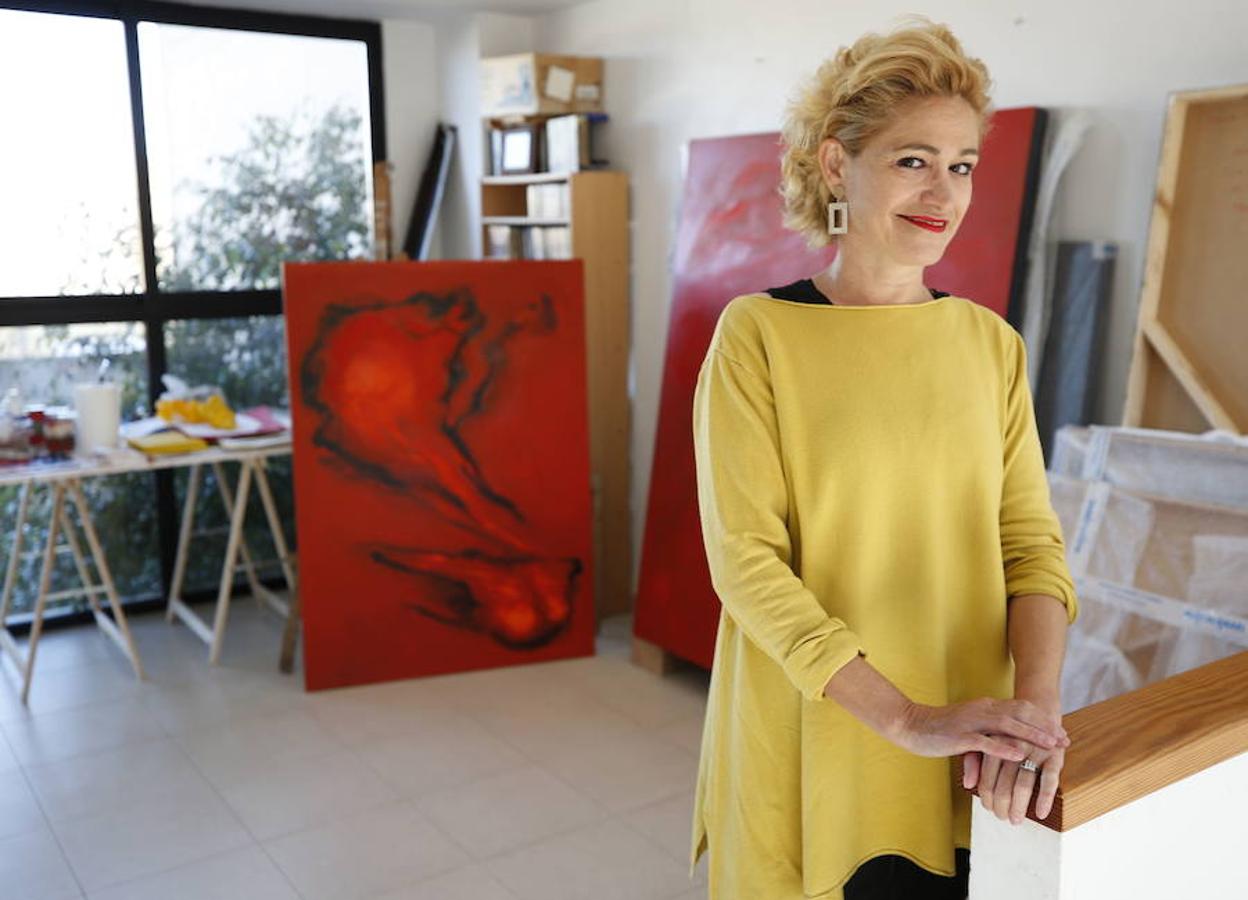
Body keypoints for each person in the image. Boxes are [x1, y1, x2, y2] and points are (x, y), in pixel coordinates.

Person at [689, 19, 1079, 900]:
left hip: (971, 742)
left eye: (962, 165)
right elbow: (746, 564)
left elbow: (1031, 548)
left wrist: (1036, 710)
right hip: (824, 729)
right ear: (837, 165)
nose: (944, 190)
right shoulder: (758, 335)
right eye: (913, 160)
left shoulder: (991, 344)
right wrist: (906, 718)